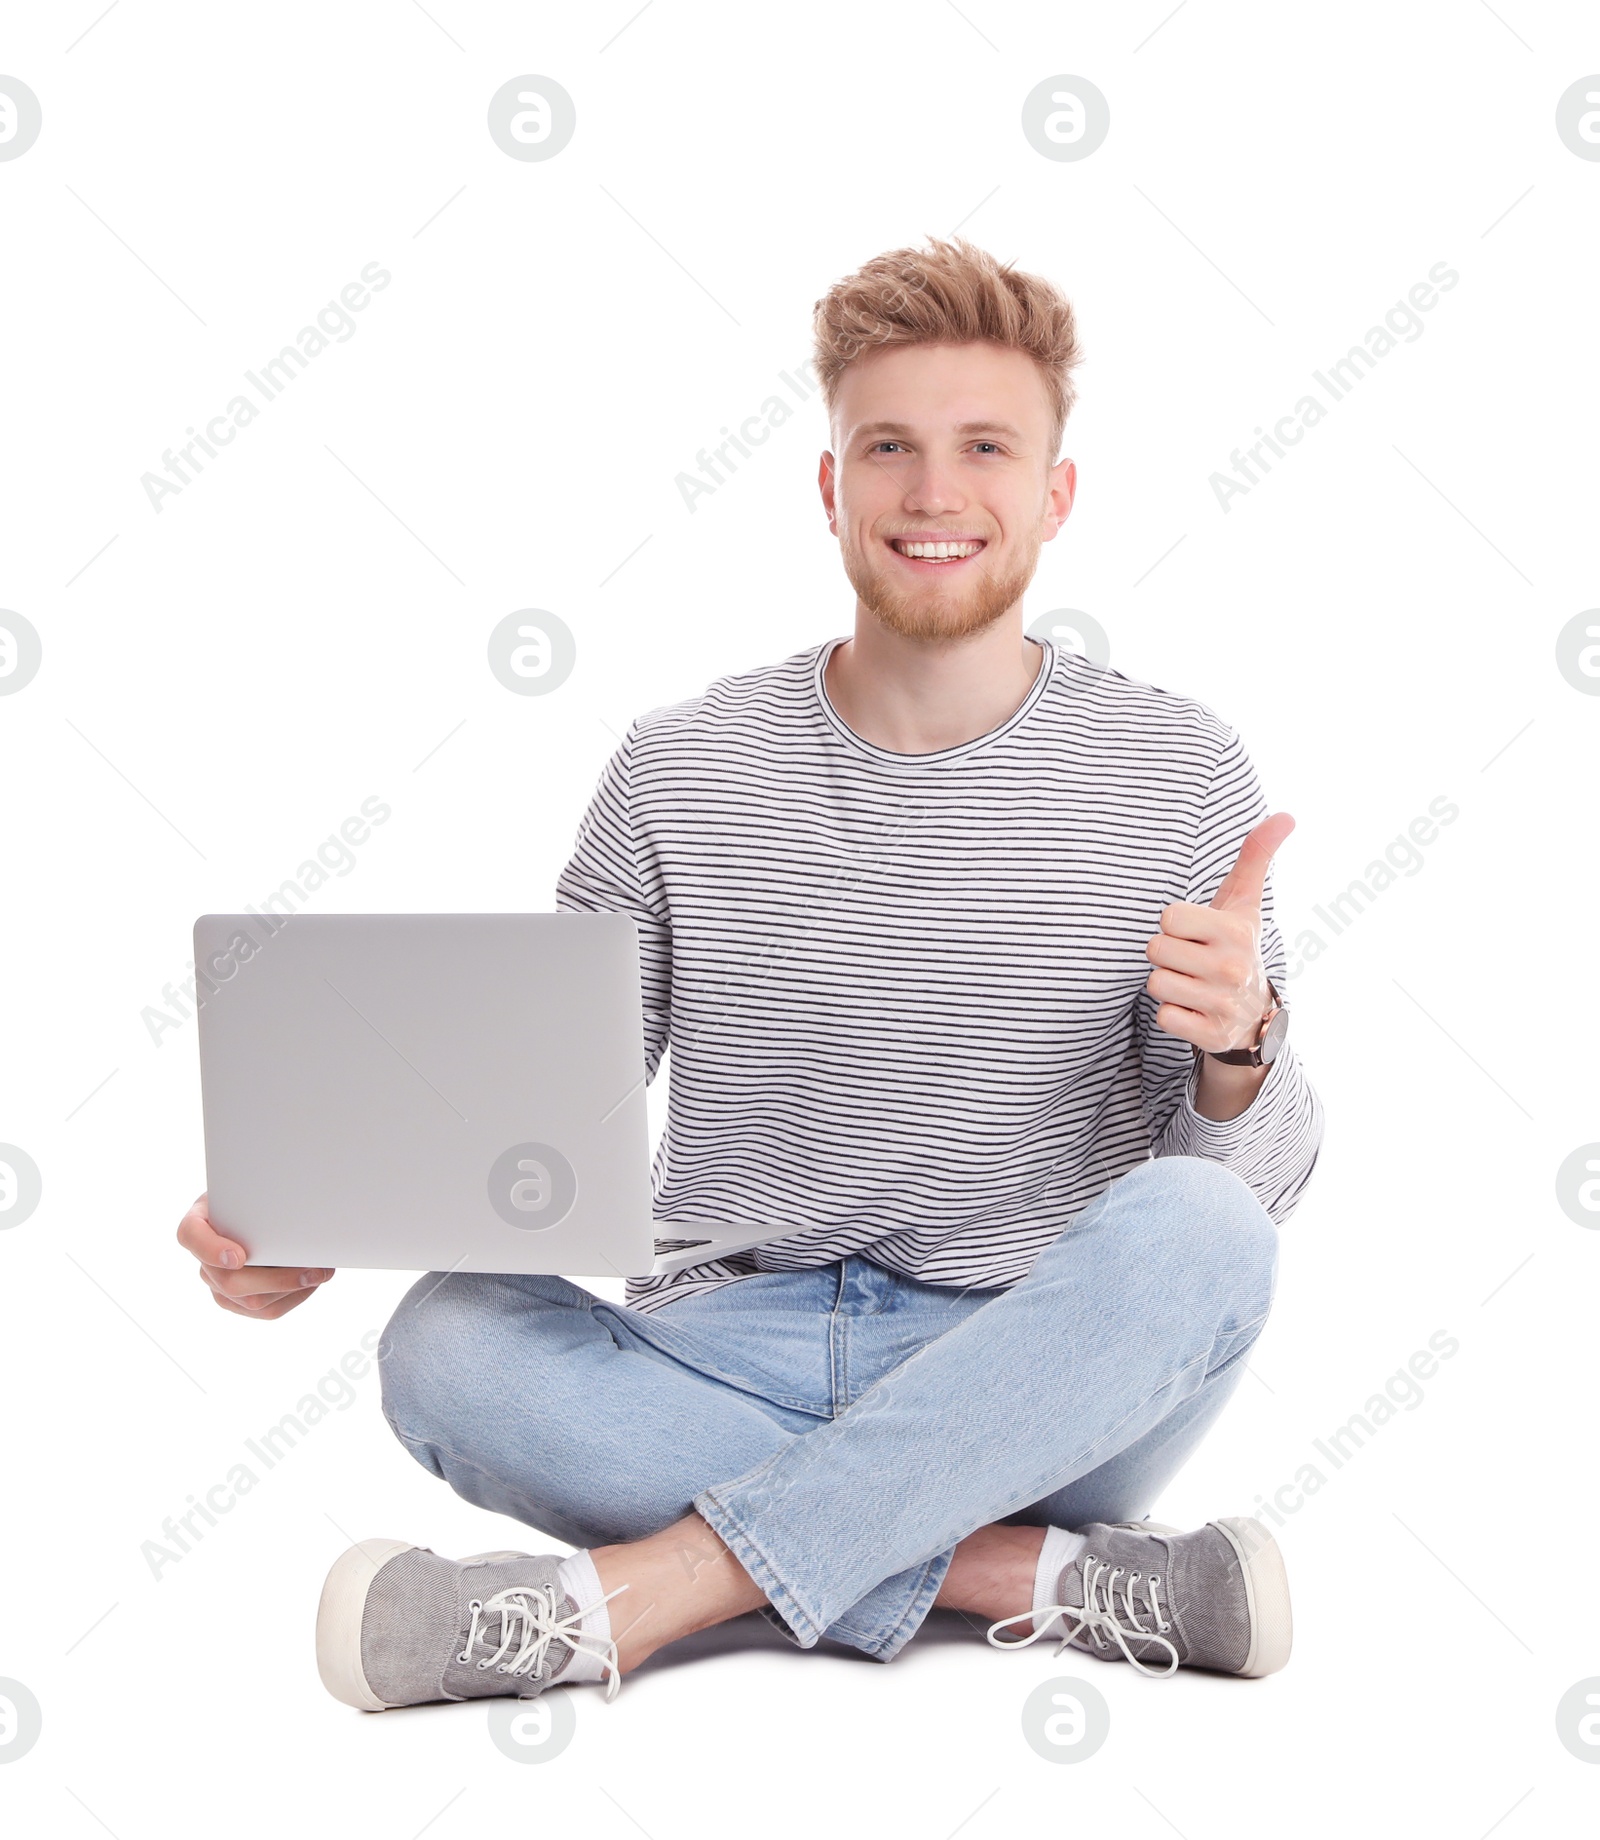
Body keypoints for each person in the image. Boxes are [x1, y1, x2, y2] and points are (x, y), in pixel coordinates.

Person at [178, 235, 1323, 1711]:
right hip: (724, 1351)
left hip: (1032, 1366)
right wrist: (322, 1220)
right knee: (447, 1350)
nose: (932, 491)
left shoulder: (1176, 769)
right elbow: (538, 1112)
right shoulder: (682, 767)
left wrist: (1244, 1041)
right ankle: (1024, 1575)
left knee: (1207, 1231)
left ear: (1055, 494)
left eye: (985, 447)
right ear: (832, 485)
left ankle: (631, 1602)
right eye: (888, 447)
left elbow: (1263, 1191)